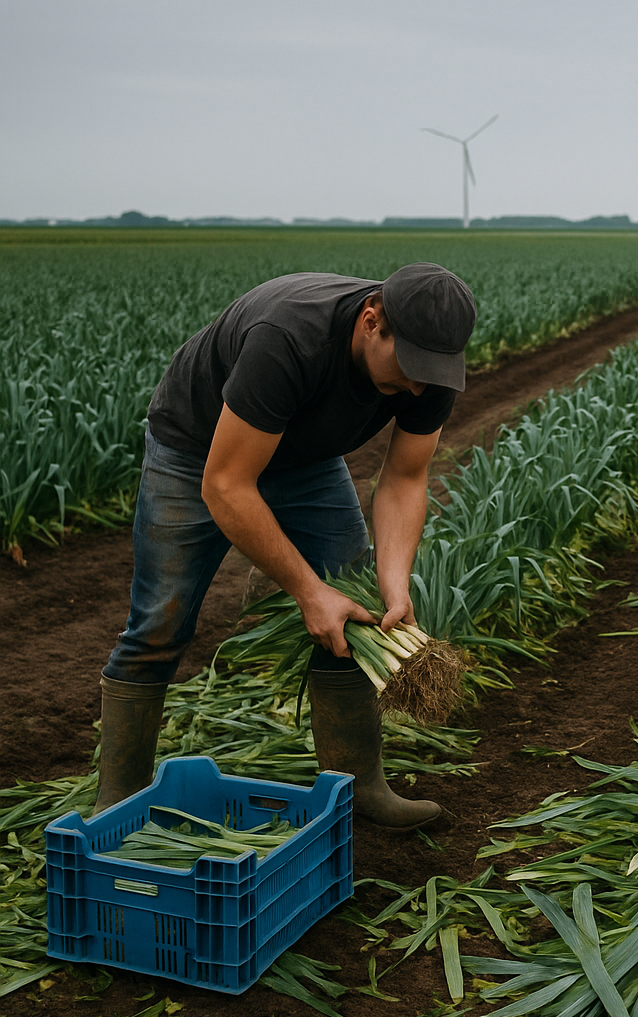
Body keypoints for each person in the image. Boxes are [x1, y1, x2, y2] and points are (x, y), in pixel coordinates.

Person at [94, 263, 477, 827]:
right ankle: (118, 804)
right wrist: (308, 592)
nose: (419, 387)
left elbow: (404, 478)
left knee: (357, 610)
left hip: (305, 458)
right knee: (158, 624)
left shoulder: (431, 370)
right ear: (372, 321)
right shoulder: (290, 338)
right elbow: (227, 484)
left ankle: (360, 789)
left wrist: (395, 588)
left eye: (433, 373)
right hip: (197, 452)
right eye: (411, 368)